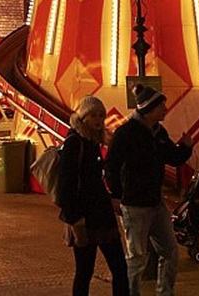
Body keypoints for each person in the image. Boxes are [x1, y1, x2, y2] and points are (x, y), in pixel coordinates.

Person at [105, 83, 193, 296]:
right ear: (149, 109)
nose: (165, 109)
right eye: (161, 106)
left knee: (170, 251)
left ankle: (165, 292)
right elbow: (111, 166)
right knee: (136, 258)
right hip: (134, 205)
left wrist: (186, 147)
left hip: (155, 202)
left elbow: (172, 157)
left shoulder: (158, 132)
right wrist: (116, 195)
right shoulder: (126, 133)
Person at [57, 95, 129, 296]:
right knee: (85, 271)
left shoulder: (93, 142)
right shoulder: (75, 142)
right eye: (93, 115)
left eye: (101, 115)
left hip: (102, 214)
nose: (98, 120)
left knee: (119, 268)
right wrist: (74, 219)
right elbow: (66, 185)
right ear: (83, 117)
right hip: (84, 218)